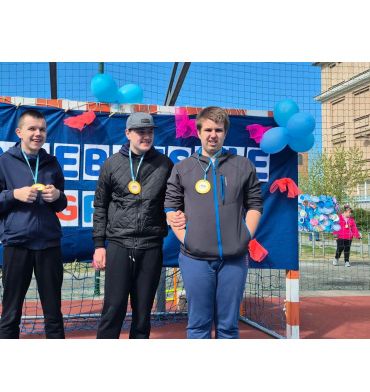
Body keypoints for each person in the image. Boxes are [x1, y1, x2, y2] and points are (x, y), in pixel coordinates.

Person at [165, 106, 263, 339]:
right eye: (208, 129)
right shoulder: (183, 167)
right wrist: (187, 238)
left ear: (225, 133)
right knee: (198, 325)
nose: (213, 135)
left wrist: (245, 236)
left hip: (234, 259)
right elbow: (170, 204)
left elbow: (255, 204)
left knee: (228, 326)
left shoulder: (243, 165)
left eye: (218, 130)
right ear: (199, 132)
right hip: (195, 258)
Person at [93, 112, 186, 339]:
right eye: (140, 132)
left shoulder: (165, 164)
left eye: (150, 132)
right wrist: (99, 245)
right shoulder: (111, 164)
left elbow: (176, 200)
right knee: (113, 309)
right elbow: (100, 206)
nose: (146, 136)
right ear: (128, 133)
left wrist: (180, 213)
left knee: (143, 313)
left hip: (151, 246)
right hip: (119, 244)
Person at [0, 109, 68, 339]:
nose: (38, 133)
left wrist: (57, 196)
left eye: (42, 129)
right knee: (11, 311)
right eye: (32, 128)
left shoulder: (52, 163)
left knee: (53, 312)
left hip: (49, 244)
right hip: (17, 244)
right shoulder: (4, 162)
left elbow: (62, 203)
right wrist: (14, 195)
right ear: (19, 132)